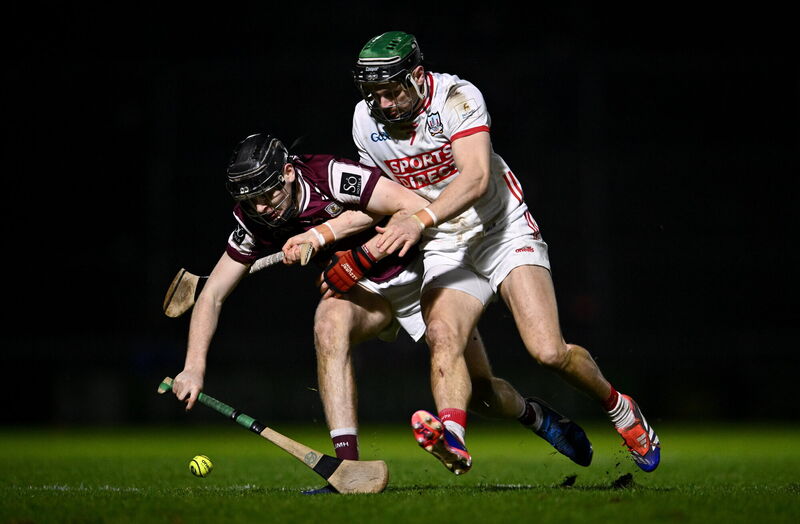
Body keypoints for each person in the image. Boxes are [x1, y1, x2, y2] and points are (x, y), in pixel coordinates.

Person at [171, 132, 594, 494]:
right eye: (252, 200)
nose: (263, 208)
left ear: (286, 172)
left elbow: (407, 204)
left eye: (268, 194)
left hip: (426, 273)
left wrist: (322, 235)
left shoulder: (330, 176)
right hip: (368, 294)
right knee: (328, 323)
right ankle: (347, 467)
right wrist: (193, 368)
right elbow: (211, 295)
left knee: (481, 393)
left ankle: (533, 415)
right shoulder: (255, 219)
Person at [336, 31, 660, 474]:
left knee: (548, 351)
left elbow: (475, 179)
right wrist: (319, 237)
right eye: (373, 94)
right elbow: (378, 198)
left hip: (501, 229)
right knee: (443, 337)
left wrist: (418, 220)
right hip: (445, 242)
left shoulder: (457, 96)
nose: (384, 105)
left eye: (391, 92)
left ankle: (620, 407)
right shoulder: (364, 121)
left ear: (416, 76)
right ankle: (453, 438)